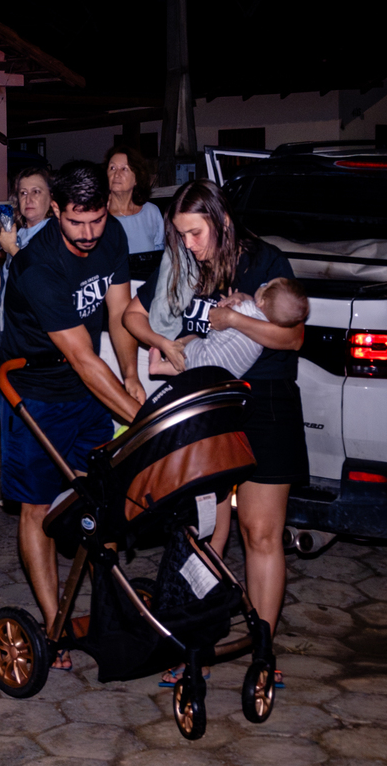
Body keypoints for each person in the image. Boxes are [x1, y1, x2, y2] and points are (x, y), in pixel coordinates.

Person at [123, 180, 306, 688]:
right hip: (207, 410)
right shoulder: (185, 267)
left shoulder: (266, 260)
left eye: (196, 233)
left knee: (261, 533)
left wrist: (229, 319)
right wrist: (164, 342)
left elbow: (291, 336)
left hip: (265, 404)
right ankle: (194, 644)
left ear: (221, 222)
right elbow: (132, 315)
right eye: (181, 235)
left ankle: (263, 654)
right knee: (205, 532)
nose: (189, 245)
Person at [0, 160, 145, 669]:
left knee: (99, 493)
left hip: (89, 390)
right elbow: (83, 361)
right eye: (76, 222)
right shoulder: (37, 267)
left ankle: (106, 608)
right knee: (37, 505)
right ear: (56, 210)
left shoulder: (113, 237)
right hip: (36, 394)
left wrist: (129, 373)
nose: (88, 235)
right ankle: (53, 621)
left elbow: (120, 312)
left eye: (97, 220)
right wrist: (142, 420)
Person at [148, 277, 309, 378]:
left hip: (202, 358)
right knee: (194, 365)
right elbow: (251, 301)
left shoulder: (244, 309)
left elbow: (218, 314)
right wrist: (239, 297)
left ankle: (162, 364)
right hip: (225, 378)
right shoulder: (267, 329)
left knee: (192, 339)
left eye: (265, 286)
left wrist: (228, 304)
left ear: (262, 302)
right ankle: (161, 367)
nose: (263, 285)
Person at [105, 146, 164, 254]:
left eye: (124, 169)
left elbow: (161, 254)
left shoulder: (151, 212)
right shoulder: (98, 216)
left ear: (137, 178)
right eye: (112, 168)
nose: (117, 174)